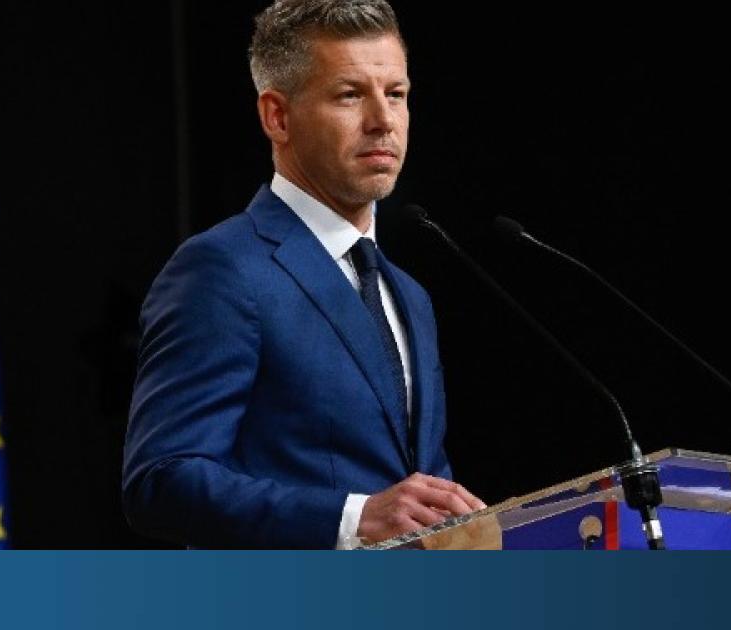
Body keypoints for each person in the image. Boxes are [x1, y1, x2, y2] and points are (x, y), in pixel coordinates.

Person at [122, 0, 484, 549]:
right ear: (278, 117)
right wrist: (354, 518)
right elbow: (160, 481)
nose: (383, 120)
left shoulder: (410, 296)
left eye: (396, 94)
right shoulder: (222, 270)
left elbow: (415, 492)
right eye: (349, 95)